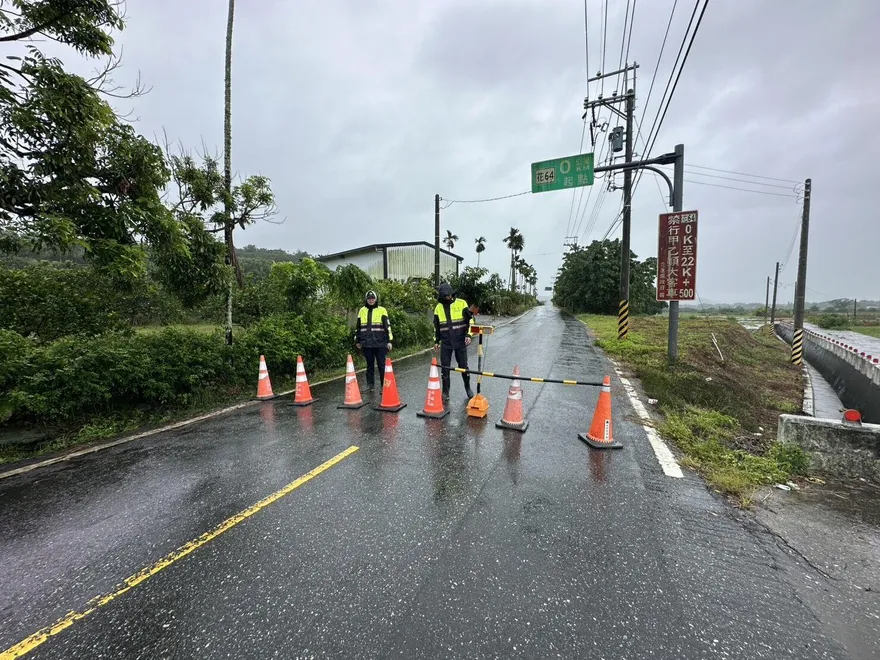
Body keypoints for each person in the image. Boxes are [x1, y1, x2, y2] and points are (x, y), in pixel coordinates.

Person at [433, 282, 475, 402]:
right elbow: (436, 327)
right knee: (445, 368)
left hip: (460, 341)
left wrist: (468, 334)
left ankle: (467, 388)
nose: (448, 297)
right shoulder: (438, 307)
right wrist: (436, 341)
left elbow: (470, 321)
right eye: (445, 296)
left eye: (449, 295)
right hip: (446, 342)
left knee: (463, 367)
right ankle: (445, 392)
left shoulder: (462, 303)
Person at [354, 290, 393, 391]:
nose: (371, 300)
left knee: (381, 365)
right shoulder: (362, 310)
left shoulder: (382, 310)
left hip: (380, 343)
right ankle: (370, 386)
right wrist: (357, 340)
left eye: (373, 298)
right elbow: (358, 327)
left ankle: (384, 386)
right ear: (366, 300)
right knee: (369, 365)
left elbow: (387, 327)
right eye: (369, 299)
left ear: (376, 299)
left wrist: (389, 341)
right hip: (367, 343)